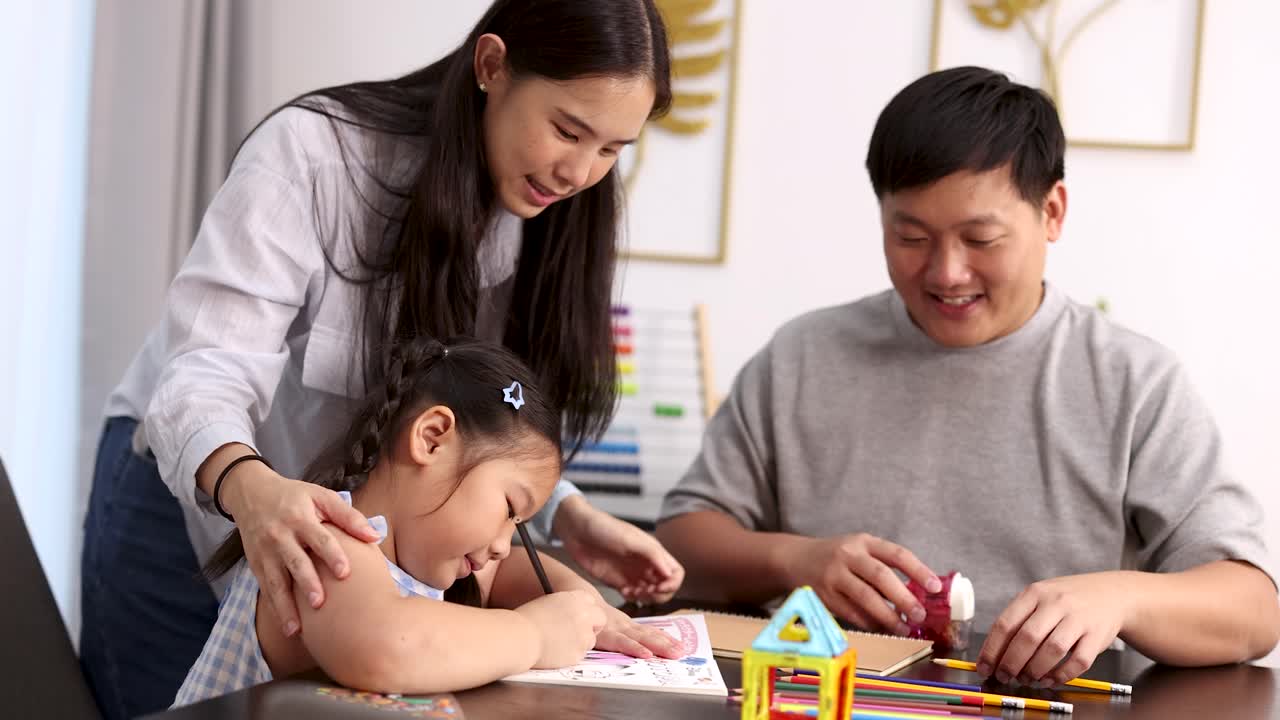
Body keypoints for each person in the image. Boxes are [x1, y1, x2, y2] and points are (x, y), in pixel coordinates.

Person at [80, 2, 684, 718]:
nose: (580, 171)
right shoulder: (317, 156)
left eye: (612, 150)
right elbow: (203, 375)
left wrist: (565, 519)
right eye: (567, 129)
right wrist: (252, 491)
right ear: (492, 67)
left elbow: (485, 424)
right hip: (203, 488)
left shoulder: (546, 219)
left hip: (323, 524)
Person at [656, 66, 1280, 689]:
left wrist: (1123, 598)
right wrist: (794, 559)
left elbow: (1254, 607)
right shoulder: (802, 356)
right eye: (912, 236)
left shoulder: (1133, 382)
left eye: (981, 238)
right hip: (820, 696)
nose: (946, 272)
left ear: (1052, 212)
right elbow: (681, 543)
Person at [174, 336, 679, 706]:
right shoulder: (325, 540)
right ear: (432, 438)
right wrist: (535, 635)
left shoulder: (424, 561)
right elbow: (388, 647)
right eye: (509, 509)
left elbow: (509, 569)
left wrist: (589, 610)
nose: (504, 542)